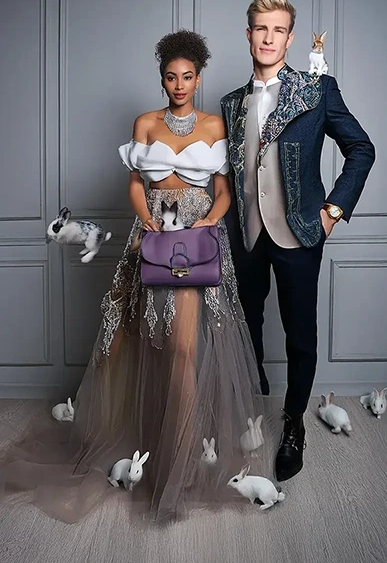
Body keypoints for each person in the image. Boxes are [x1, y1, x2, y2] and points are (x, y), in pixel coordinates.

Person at [0, 30, 262, 524]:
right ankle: (130, 437)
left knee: (186, 348)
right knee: (126, 339)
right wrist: (148, 221)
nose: (179, 84)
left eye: (188, 76)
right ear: (162, 79)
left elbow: (224, 190)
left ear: (199, 78)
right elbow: (135, 185)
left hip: (197, 238)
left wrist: (208, 220)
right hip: (153, 233)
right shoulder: (144, 122)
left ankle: (180, 464)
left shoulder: (214, 125)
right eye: (171, 76)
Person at [221, 0, 375, 482]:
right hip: (246, 236)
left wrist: (332, 212)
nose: (268, 38)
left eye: (278, 30)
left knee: (300, 335)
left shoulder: (317, 90)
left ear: (289, 38)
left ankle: (293, 424)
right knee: (245, 329)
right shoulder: (230, 104)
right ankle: (252, 405)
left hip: (300, 233)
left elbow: (361, 148)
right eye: (260, 29)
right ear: (248, 34)